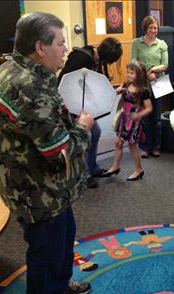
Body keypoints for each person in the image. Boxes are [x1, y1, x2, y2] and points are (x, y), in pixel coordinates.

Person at [0, 12, 93, 294]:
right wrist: (84, 128)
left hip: (31, 179)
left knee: (64, 233)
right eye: (60, 43)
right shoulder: (31, 85)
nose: (65, 49)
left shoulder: (9, 67)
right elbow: (57, 152)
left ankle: (59, 284)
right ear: (39, 46)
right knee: (45, 247)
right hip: (35, 186)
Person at [58, 37, 123, 188]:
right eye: (109, 61)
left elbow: (95, 84)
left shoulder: (97, 60)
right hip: (69, 103)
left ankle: (93, 168)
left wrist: (113, 88)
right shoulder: (82, 57)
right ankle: (84, 174)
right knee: (85, 135)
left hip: (82, 104)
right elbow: (65, 81)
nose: (108, 64)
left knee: (96, 131)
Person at [102, 61, 152, 181]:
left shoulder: (143, 90)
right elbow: (121, 98)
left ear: (139, 74)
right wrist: (118, 92)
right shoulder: (126, 84)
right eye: (128, 72)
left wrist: (138, 114)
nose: (128, 75)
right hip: (124, 119)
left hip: (134, 122)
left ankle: (139, 170)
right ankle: (115, 166)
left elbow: (149, 108)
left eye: (132, 73)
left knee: (132, 145)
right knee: (118, 143)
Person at [131, 15, 168, 158]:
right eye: (151, 27)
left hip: (159, 83)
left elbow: (165, 65)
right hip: (142, 84)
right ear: (145, 28)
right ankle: (144, 147)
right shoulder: (136, 43)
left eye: (156, 27)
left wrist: (152, 71)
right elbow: (134, 63)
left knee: (157, 118)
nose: (154, 30)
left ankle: (156, 147)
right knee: (145, 117)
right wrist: (147, 73)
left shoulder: (162, 44)